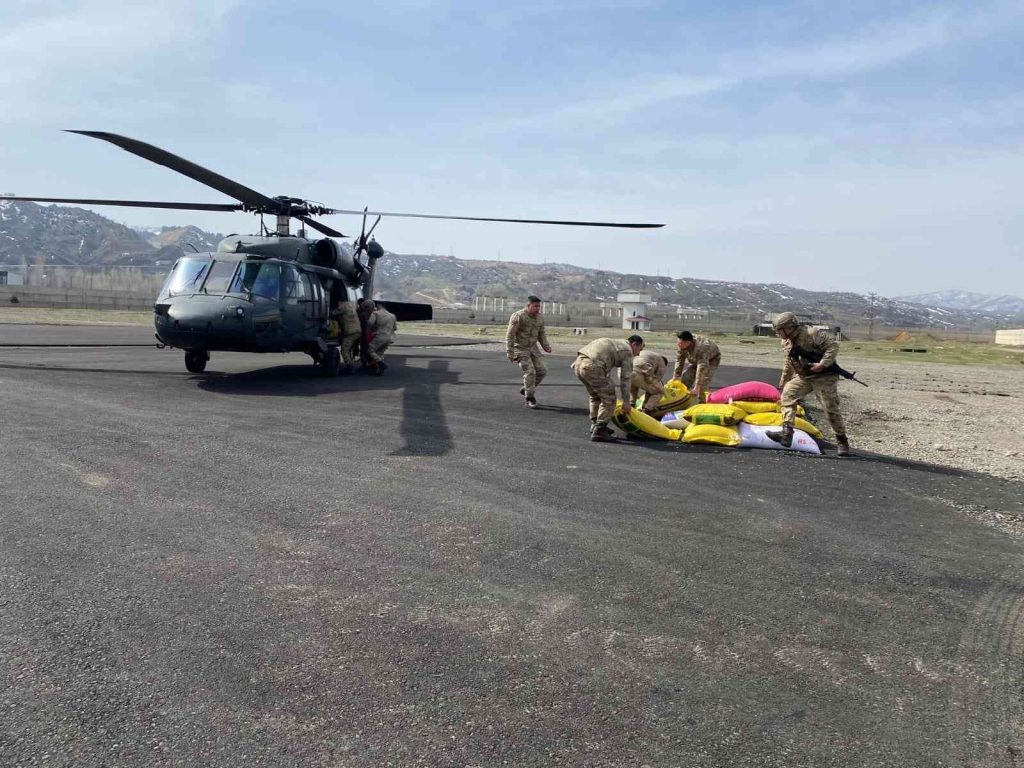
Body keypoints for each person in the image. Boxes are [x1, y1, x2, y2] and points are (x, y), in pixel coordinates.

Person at [767, 312, 851, 456]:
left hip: (824, 376)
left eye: (780, 330)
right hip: (805, 377)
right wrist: (784, 379)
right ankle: (786, 433)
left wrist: (823, 364)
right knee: (788, 393)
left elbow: (833, 346)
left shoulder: (812, 333)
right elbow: (789, 361)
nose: (778, 333)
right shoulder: (786, 342)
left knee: (830, 408)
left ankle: (841, 440)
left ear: (790, 327)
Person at [572, 335, 645, 442]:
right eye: (640, 349)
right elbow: (625, 378)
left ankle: (595, 424)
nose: (639, 353)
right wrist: (626, 402)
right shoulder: (627, 351)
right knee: (609, 399)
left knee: (596, 395)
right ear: (633, 344)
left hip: (579, 364)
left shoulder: (616, 342)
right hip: (592, 366)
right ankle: (600, 430)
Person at [505, 295, 552, 408]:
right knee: (530, 372)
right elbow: (510, 335)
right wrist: (509, 352)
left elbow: (541, 333)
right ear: (528, 305)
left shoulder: (540, 318)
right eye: (535, 306)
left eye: (539, 306)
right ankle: (529, 397)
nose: (537, 308)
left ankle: (527, 388)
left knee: (542, 371)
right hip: (520, 349)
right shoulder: (518, 316)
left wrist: (546, 346)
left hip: (533, 348)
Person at [673, 330, 721, 402]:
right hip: (696, 359)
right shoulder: (682, 344)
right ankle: (680, 399)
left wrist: (696, 387)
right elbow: (680, 360)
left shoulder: (702, 348)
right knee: (686, 377)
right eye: (678, 342)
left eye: (681, 343)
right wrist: (676, 376)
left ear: (688, 342)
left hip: (711, 360)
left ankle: (702, 403)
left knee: (703, 383)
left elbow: (702, 367)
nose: (679, 345)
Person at [630, 350, 670, 414]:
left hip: (625, 372)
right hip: (638, 373)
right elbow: (658, 379)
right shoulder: (662, 362)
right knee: (659, 391)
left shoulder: (649, 354)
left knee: (634, 386)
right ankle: (647, 410)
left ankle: (631, 403)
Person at [364, 300, 397, 374]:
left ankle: (381, 364)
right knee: (380, 353)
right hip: (389, 337)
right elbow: (394, 328)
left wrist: (370, 329)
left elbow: (370, 323)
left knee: (370, 350)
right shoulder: (392, 315)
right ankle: (379, 370)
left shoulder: (375, 313)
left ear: (379, 305)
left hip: (380, 336)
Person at [329, 299, 362, 373]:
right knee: (349, 349)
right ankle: (350, 363)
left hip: (350, 332)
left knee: (344, 350)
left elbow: (332, 313)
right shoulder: (351, 305)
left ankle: (350, 367)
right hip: (357, 330)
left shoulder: (343, 306)